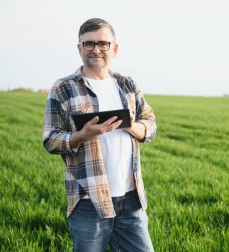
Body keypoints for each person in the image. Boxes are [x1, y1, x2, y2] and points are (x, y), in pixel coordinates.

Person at [42, 18, 156, 251]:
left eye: (103, 43)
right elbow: (50, 139)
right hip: (88, 200)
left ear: (114, 48)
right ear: (79, 49)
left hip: (131, 197)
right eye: (89, 44)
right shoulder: (63, 87)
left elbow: (150, 124)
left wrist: (132, 126)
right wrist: (82, 135)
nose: (96, 49)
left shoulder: (127, 84)